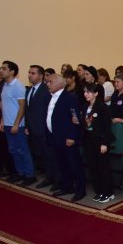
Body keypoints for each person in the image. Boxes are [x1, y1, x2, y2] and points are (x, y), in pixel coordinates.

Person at [46, 74, 86, 202]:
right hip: (55, 137)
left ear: (59, 84)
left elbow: (76, 119)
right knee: (62, 164)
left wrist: (72, 136)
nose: (47, 84)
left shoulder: (69, 98)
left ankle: (80, 190)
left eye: (50, 82)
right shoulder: (51, 97)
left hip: (67, 138)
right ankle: (67, 186)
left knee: (74, 165)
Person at [0, 61, 36, 186]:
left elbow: (22, 107)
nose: (1, 70)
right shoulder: (5, 85)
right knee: (13, 150)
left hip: (18, 125)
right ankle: (20, 173)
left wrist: (16, 124)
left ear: (12, 71)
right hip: (8, 123)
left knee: (23, 151)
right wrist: (2, 120)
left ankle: (30, 175)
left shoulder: (18, 86)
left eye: (4, 68)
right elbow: (5, 105)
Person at [25, 64, 59, 190]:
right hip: (33, 129)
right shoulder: (29, 90)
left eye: (33, 73)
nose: (29, 75)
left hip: (44, 130)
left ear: (41, 75)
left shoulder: (46, 90)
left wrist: (47, 128)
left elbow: (49, 111)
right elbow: (28, 110)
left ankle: (56, 179)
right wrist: (28, 126)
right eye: (29, 72)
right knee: (43, 156)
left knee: (51, 156)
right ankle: (48, 177)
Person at [82, 83, 115, 203]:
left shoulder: (102, 107)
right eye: (85, 91)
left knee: (103, 168)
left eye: (89, 92)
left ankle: (108, 192)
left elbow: (106, 127)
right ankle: (99, 191)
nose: (86, 94)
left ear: (95, 93)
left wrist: (105, 143)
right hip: (89, 140)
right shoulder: (85, 106)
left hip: (100, 141)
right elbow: (86, 123)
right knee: (93, 167)